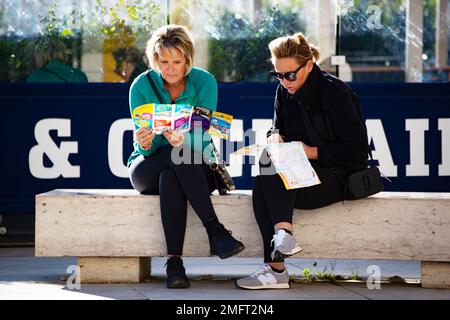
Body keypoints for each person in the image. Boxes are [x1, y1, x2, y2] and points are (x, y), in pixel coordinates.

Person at [236, 33, 369, 290]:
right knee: (264, 172)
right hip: (301, 175)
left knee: (266, 182)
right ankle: (283, 238)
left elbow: (357, 152)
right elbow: (276, 128)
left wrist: (311, 152)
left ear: (308, 65)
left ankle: (276, 265)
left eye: (290, 75)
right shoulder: (283, 92)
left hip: (339, 178)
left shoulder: (335, 92)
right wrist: (275, 138)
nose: (285, 81)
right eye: (278, 75)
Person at [127, 25, 245, 289]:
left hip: (195, 162)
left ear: (188, 60)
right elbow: (145, 146)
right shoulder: (141, 86)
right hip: (148, 166)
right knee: (172, 158)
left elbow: (203, 136)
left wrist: (184, 139)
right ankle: (215, 231)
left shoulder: (205, 82)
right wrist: (145, 141)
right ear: (155, 58)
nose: (169, 69)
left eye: (177, 62)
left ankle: (175, 264)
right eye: (163, 61)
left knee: (175, 169)